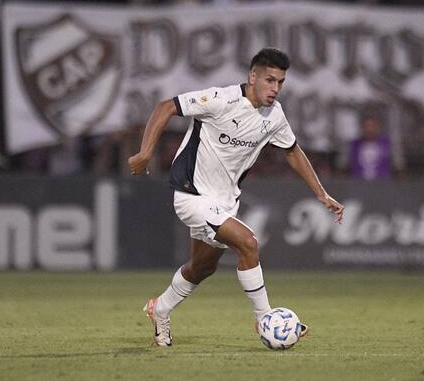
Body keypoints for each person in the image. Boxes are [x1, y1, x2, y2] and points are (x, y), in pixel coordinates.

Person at [128, 47, 344, 347]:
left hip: (225, 201)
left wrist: (321, 193)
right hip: (191, 193)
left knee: (202, 267)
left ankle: (160, 309)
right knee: (248, 243)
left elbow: (293, 151)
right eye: (269, 80)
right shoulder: (220, 100)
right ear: (252, 77)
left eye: (280, 82)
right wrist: (145, 153)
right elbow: (165, 107)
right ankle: (266, 319)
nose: (275, 88)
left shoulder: (274, 115)